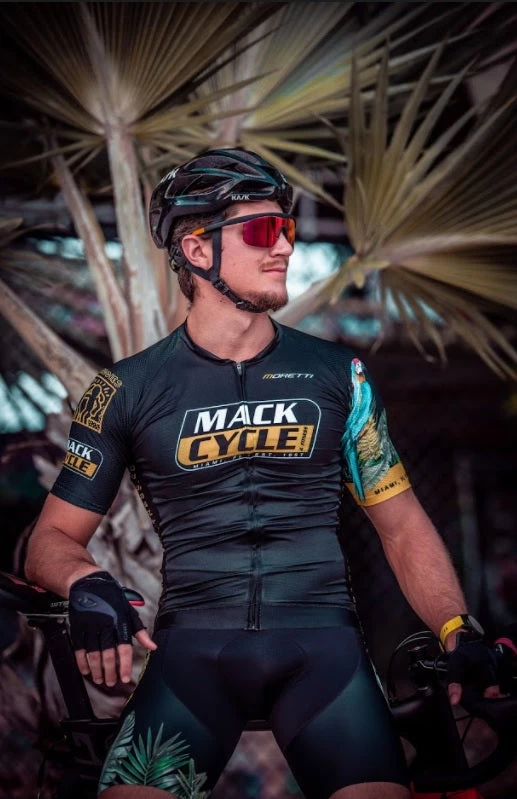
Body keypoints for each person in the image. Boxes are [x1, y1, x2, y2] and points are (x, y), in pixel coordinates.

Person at [25, 148, 502, 799]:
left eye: (287, 228)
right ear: (197, 250)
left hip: (324, 655)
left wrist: (456, 628)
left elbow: (401, 526)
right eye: (261, 230)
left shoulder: (340, 376)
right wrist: (84, 581)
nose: (283, 246)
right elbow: (51, 539)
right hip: (192, 659)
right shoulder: (125, 388)